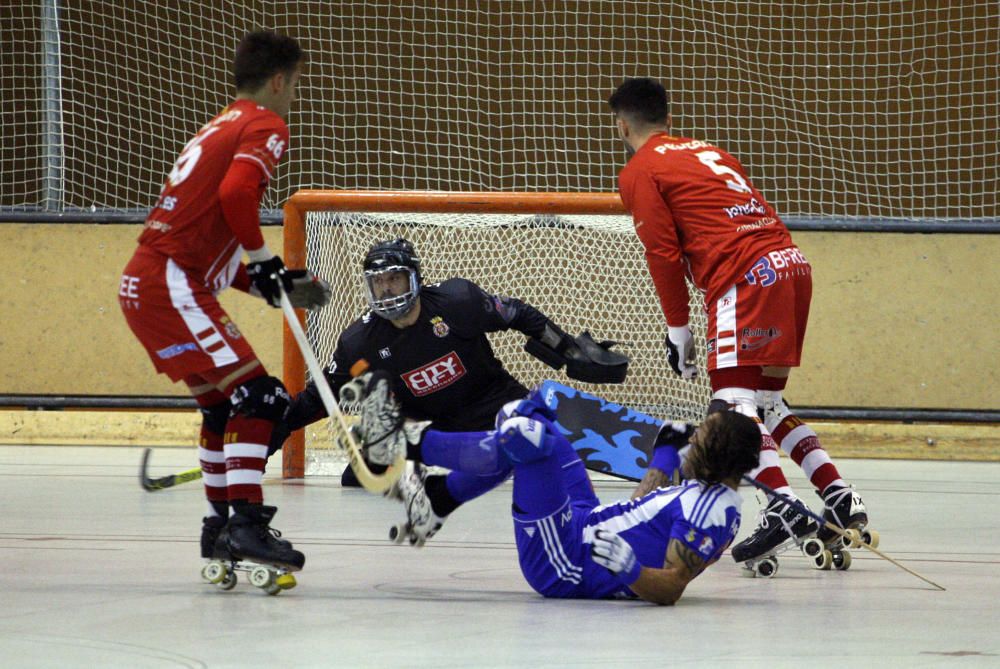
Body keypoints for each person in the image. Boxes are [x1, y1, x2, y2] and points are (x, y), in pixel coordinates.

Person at [607, 77, 872, 566]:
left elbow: (663, 253)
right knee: (768, 402)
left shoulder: (640, 170)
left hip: (744, 280)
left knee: (732, 403)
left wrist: (678, 330)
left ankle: (782, 507)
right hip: (790, 266)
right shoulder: (710, 151)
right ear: (669, 117)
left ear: (621, 125)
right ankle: (838, 495)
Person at [119, 31, 330, 575]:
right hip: (171, 283)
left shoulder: (220, 123)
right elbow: (235, 196)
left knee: (221, 406)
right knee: (260, 396)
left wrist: (264, 284)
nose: (294, 96)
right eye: (296, 84)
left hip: (149, 283)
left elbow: (208, 241)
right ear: (280, 79)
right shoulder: (265, 123)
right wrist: (265, 262)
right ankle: (246, 524)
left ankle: (218, 530)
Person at [280, 237, 628, 544]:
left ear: (414, 278)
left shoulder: (458, 301)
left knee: (542, 438)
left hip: (493, 403)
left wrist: (566, 350)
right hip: (429, 425)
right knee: (361, 472)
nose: (386, 290)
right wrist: (275, 428)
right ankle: (437, 479)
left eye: (395, 279)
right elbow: (320, 397)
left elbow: (518, 314)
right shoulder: (358, 342)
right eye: (378, 282)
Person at [353, 380, 761, 604]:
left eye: (701, 438)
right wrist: (665, 454)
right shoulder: (705, 489)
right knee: (527, 414)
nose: (694, 440)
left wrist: (630, 569)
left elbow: (672, 586)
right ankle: (438, 500)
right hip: (585, 520)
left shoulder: (711, 513)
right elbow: (639, 512)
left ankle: (404, 442)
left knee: (524, 435)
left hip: (567, 561)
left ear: (720, 455)